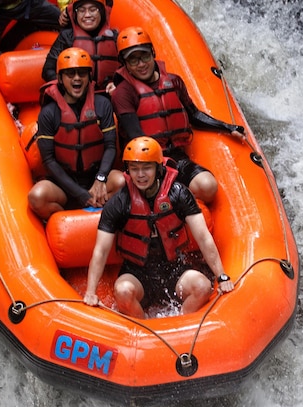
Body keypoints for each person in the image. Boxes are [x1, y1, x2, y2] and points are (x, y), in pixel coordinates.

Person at [83, 137, 234, 318]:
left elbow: (203, 237)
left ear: (158, 168)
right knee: (123, 291)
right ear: (128, 171)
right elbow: (101, 250)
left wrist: (222, 276)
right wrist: (91, 291)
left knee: (203, 287)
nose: (140, 175)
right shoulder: (119, 203)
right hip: (137, 273)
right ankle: (146, 327)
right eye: (135, 169)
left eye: (146, 168)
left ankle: (180, 322)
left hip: (174, 269)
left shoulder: (178, 193)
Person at [110, 26, 246, 204]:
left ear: (153, 53)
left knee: (208, 186)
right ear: (125, 64)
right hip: (145, 164)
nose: (141, 64)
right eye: (133, 60)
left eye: (144, 56)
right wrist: (159, 171)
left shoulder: (174, 81)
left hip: (177, 158)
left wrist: (227, 127)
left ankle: (178, 200)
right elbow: (137, 139)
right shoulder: (123, 93)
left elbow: (194, 115)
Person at [28, 47, 124, 220]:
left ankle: (101, 214)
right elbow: (48, 160)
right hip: (63, 182)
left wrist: (100, 178)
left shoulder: (102, 104)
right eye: (70, 74)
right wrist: (80, 194)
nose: (77, 78)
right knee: (36, 196)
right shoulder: (49, 112)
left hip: (95, 177)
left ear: (89, 77)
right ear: (60, 78)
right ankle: (66, 221)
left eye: (82, 73)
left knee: (121, 182)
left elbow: (110, 146)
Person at [42, 0, 118, 94]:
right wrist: (67, 87)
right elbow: (48, 70)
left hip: (107, 96)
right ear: (75, 14)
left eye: (93, 10)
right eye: (81, 11)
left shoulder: (115, 37)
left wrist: (118, 84)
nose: (87, 15)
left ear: (102, 12)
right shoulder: (67, 36)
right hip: (75, 98)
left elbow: (128, 71)